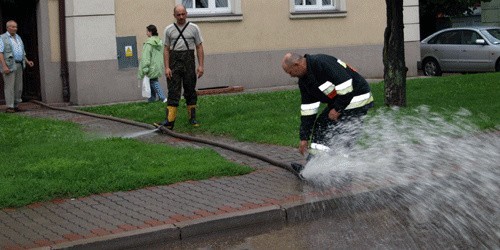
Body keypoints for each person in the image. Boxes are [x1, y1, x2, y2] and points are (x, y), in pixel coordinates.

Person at [281, 53, 374, 174]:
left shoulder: (321, 63)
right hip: (342, 101)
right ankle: (313, 168)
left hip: (357, 97)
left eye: (290, 72)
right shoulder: (304, 81)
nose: (291, 75)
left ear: (297, 64)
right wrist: (304, 137)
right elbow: (308, 109)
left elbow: (345, 85)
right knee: (321, 126)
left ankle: (344, 171)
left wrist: (337, 109)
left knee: (343, 133)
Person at [156, 4, 204, 130]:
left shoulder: (194, 28)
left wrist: (201, 66)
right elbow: (166, 49)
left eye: (183, 14)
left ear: (186, 14)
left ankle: (192, 118)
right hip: (174, 63)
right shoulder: (168, 29)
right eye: (178, 15)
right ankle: (169, 121)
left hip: (189, 62)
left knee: (190, 90)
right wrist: (166, 67)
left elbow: (199, 47)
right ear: (174, 16)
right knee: (173, 91)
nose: (181, 17)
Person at [0, 20, 34, 113]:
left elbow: (22, 52)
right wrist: (4, 66)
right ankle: (9, 107)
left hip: (19, 64)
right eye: (13, 27)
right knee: (9, 86)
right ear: (8, 27)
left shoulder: (18, 37)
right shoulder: (2, 38)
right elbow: (0, 53)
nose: (15, 28)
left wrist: (27, 61)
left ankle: (16, 105)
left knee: (18, 86)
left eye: (16, 27)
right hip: (9, 64)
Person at [138, 24, 167, 103]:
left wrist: (145, 68)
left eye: (147, 31)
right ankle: (152, 99)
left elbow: (146, 57)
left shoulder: (149, 43)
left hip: (150, 66)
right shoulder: (159, 42)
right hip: (157, 66)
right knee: (151, 81)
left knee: (153, 82)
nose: (146, 33)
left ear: (150, 32)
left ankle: (163, 98)